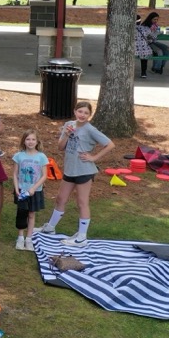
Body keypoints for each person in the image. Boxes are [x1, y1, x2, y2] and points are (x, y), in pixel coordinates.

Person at [40, 100, 113, 245]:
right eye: (80, 111)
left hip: (84, 171)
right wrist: (66, 134)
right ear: (75, 111)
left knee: (82, 202)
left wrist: (94, 157)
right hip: (70, 170)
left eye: (86, 113)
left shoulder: (90, 129)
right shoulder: (69, 125)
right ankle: (50, 228)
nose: (82, 115)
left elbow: (110, 144)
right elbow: (60, 147)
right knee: (61, 199)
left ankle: (82, 237)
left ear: (89, 115)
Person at [11, 130, 47, 251]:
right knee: (21, 213)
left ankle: (29, 238)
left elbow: (44, 176)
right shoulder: (19, 156)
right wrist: (16, 188)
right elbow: (15, 174)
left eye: (33, 139)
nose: (30, 142)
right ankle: (20, 237)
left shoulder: (41, 157)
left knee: (31, 214)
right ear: (24, 141)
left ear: (37, 142)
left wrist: (33, 188)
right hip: (21, 190)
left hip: (35, 191)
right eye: (28, 139)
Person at [135, 12, 169, 77]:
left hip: (135, 49)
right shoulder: (145, 28)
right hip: (145, 48)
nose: (156, 21)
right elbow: (150, 39)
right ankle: (148, 71)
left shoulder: (129, 30)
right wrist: (157, 34)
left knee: (167, 50)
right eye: (154, 19)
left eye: (157, 19)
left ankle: (160, 67)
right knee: (157, 51)